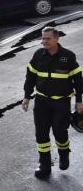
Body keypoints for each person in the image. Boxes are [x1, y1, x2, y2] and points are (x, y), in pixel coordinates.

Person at [23, 26, 83, 178]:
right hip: (42, 101)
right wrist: (27, 96)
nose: (44, 41)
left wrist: (79, 101)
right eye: (42, 38)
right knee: (41, 133)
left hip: (61, 102)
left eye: (47, 38)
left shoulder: (68, 56)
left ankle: (64, 153)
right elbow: (30, 76)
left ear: (56, 39)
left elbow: (78, 80)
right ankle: (44, 165)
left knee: (59, 131)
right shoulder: (38, 55)